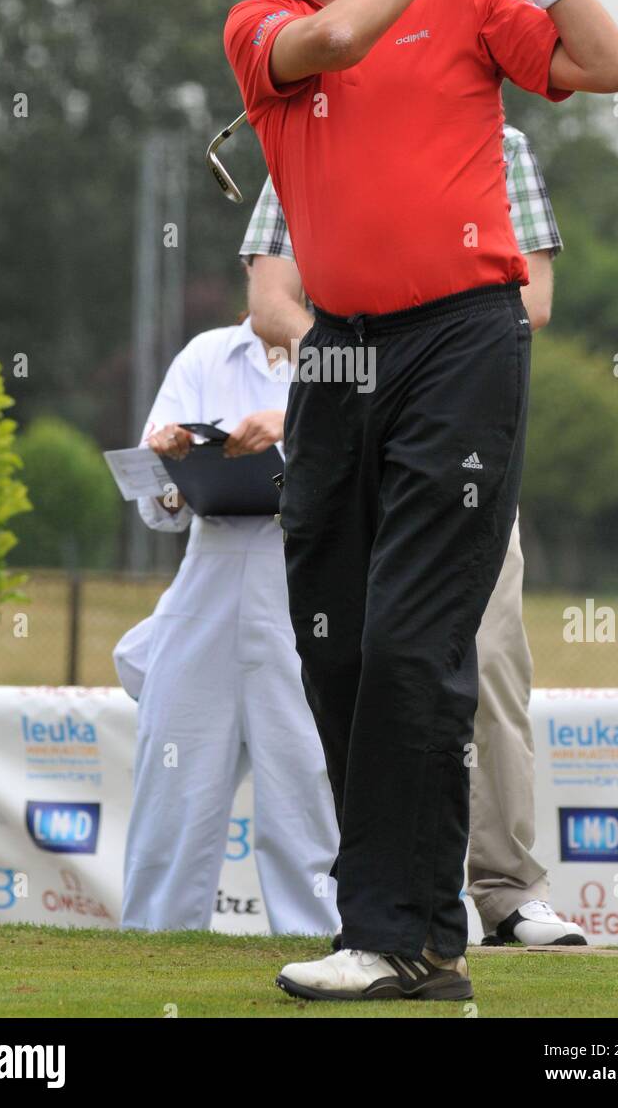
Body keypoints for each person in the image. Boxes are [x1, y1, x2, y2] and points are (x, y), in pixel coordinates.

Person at [224, 0, 618, 1002]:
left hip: (461, 338)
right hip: (341, 356)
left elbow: (612, 66)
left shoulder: (466, 0)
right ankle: (397, 928)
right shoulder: (265, 22)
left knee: (415, 640)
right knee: (338, 648)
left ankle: (408, 940)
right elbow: (346, 38)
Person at [239, 127, 586, 949]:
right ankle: (380, 894)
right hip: (342, 444)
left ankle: (507, 890)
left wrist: (406, 359)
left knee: (490, 663)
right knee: (356, 665)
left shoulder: (496, 142)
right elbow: (271, 303)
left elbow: (529, 299)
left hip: (457, 447)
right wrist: (365, 373)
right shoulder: (304, 137)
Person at [114, 314, 339, 939]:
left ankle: (321, 945)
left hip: (304, 580)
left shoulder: (350, 352)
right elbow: (153, 499)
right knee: (173, 788)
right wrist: (171, 469)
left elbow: (369, 462)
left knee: (305, 785)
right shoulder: (205, 354)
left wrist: (291, 429)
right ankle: (151, 946)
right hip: (205, 579)